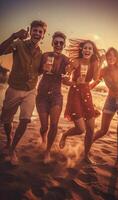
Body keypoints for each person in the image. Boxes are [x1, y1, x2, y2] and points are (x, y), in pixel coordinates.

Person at [0, 20, 47, 164]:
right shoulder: (19, 44)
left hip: (30, 90)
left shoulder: (42, 54)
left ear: (43, 36)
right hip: (14, 88)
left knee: (25, 120)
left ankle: (12, 149)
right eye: (35, 30)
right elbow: (1, 51)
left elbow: (37, 72)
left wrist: (43, 70)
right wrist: (14, 35)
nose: (37, 33)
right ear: (30, 31)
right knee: (6, 120)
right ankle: (9, 139)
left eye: (40, 32)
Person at [59, 39, 101, 162]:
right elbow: (64, 79)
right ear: (82, 50)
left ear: (93, 51)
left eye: (90, 48)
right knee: (81, 129)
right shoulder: (75, 62)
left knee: (91, 129)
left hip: (87, 95)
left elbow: (96, 78)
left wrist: (100, 63)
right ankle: (65, 135)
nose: (87, 50)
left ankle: (86, 155)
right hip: (75, 95)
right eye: (85, 48)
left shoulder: (94, 63)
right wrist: (74, 82)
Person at [93, 47, 118, 167]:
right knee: (103, 130)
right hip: (110, 100)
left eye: (114, 56)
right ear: (106, 58)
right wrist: (84, 90)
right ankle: (87, 144)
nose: (111, 58)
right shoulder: (103, 70)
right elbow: (95, 80)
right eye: (109, 56)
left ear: (117, 57)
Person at [36, 31, 69, 163]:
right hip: (42, 95)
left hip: (56, 95)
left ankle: (47, 151)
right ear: (52, 43)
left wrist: (68, 74)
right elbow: (37, 71)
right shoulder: (45, 55)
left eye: (61, 43)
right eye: (56, 42)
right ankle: (43, 138)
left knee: (54, 124)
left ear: (64, 45)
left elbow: (67, 77)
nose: (58, 45)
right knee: (44, 126)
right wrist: (43, 68)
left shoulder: (66, 59)